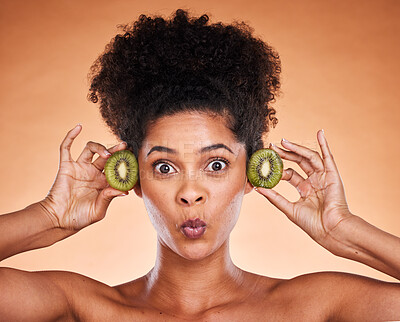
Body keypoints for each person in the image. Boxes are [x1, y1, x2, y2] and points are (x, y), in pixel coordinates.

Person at [0, 8, 399, 321]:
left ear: (251, 173)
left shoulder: (316, 307)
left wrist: (346, 232)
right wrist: (48, 217)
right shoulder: (82, 308)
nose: (191, 193)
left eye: (216, 165)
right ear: (133, 177)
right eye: (165, 167)